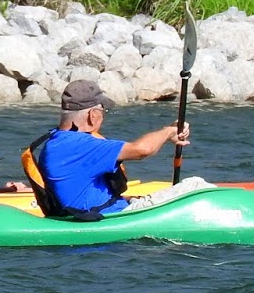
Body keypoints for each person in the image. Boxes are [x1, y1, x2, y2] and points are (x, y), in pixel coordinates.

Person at [21, 80, 189, 220]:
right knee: (194, 185)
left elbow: (86, 192)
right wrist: (169, 131)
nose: (103, 116)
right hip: (114, 217)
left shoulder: (57, 142)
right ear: (92, 115)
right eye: (103, 111)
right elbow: (143, 150)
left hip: (99, 212)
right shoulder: (81, 146)